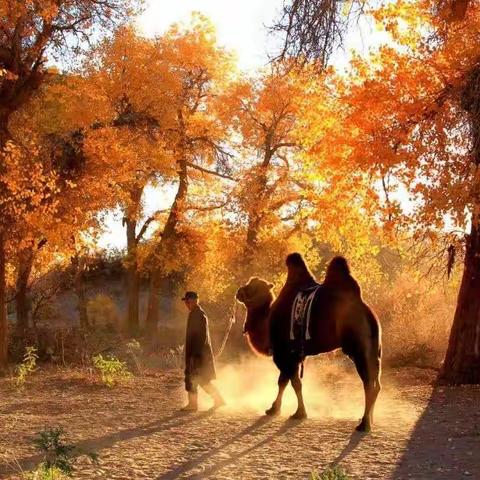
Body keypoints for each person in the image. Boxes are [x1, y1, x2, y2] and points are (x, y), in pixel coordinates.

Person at [181, 291, 225, 412]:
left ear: (195, 300)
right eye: (186, 301)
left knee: (194, 377)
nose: (186, 304)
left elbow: (200, 337)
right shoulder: (197, 313)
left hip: (198, 354)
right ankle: (218, 399)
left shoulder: (197, 314)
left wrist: (194, 355)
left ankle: (193, 404)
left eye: (188, 301)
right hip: (199, 353)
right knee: (200, 378)